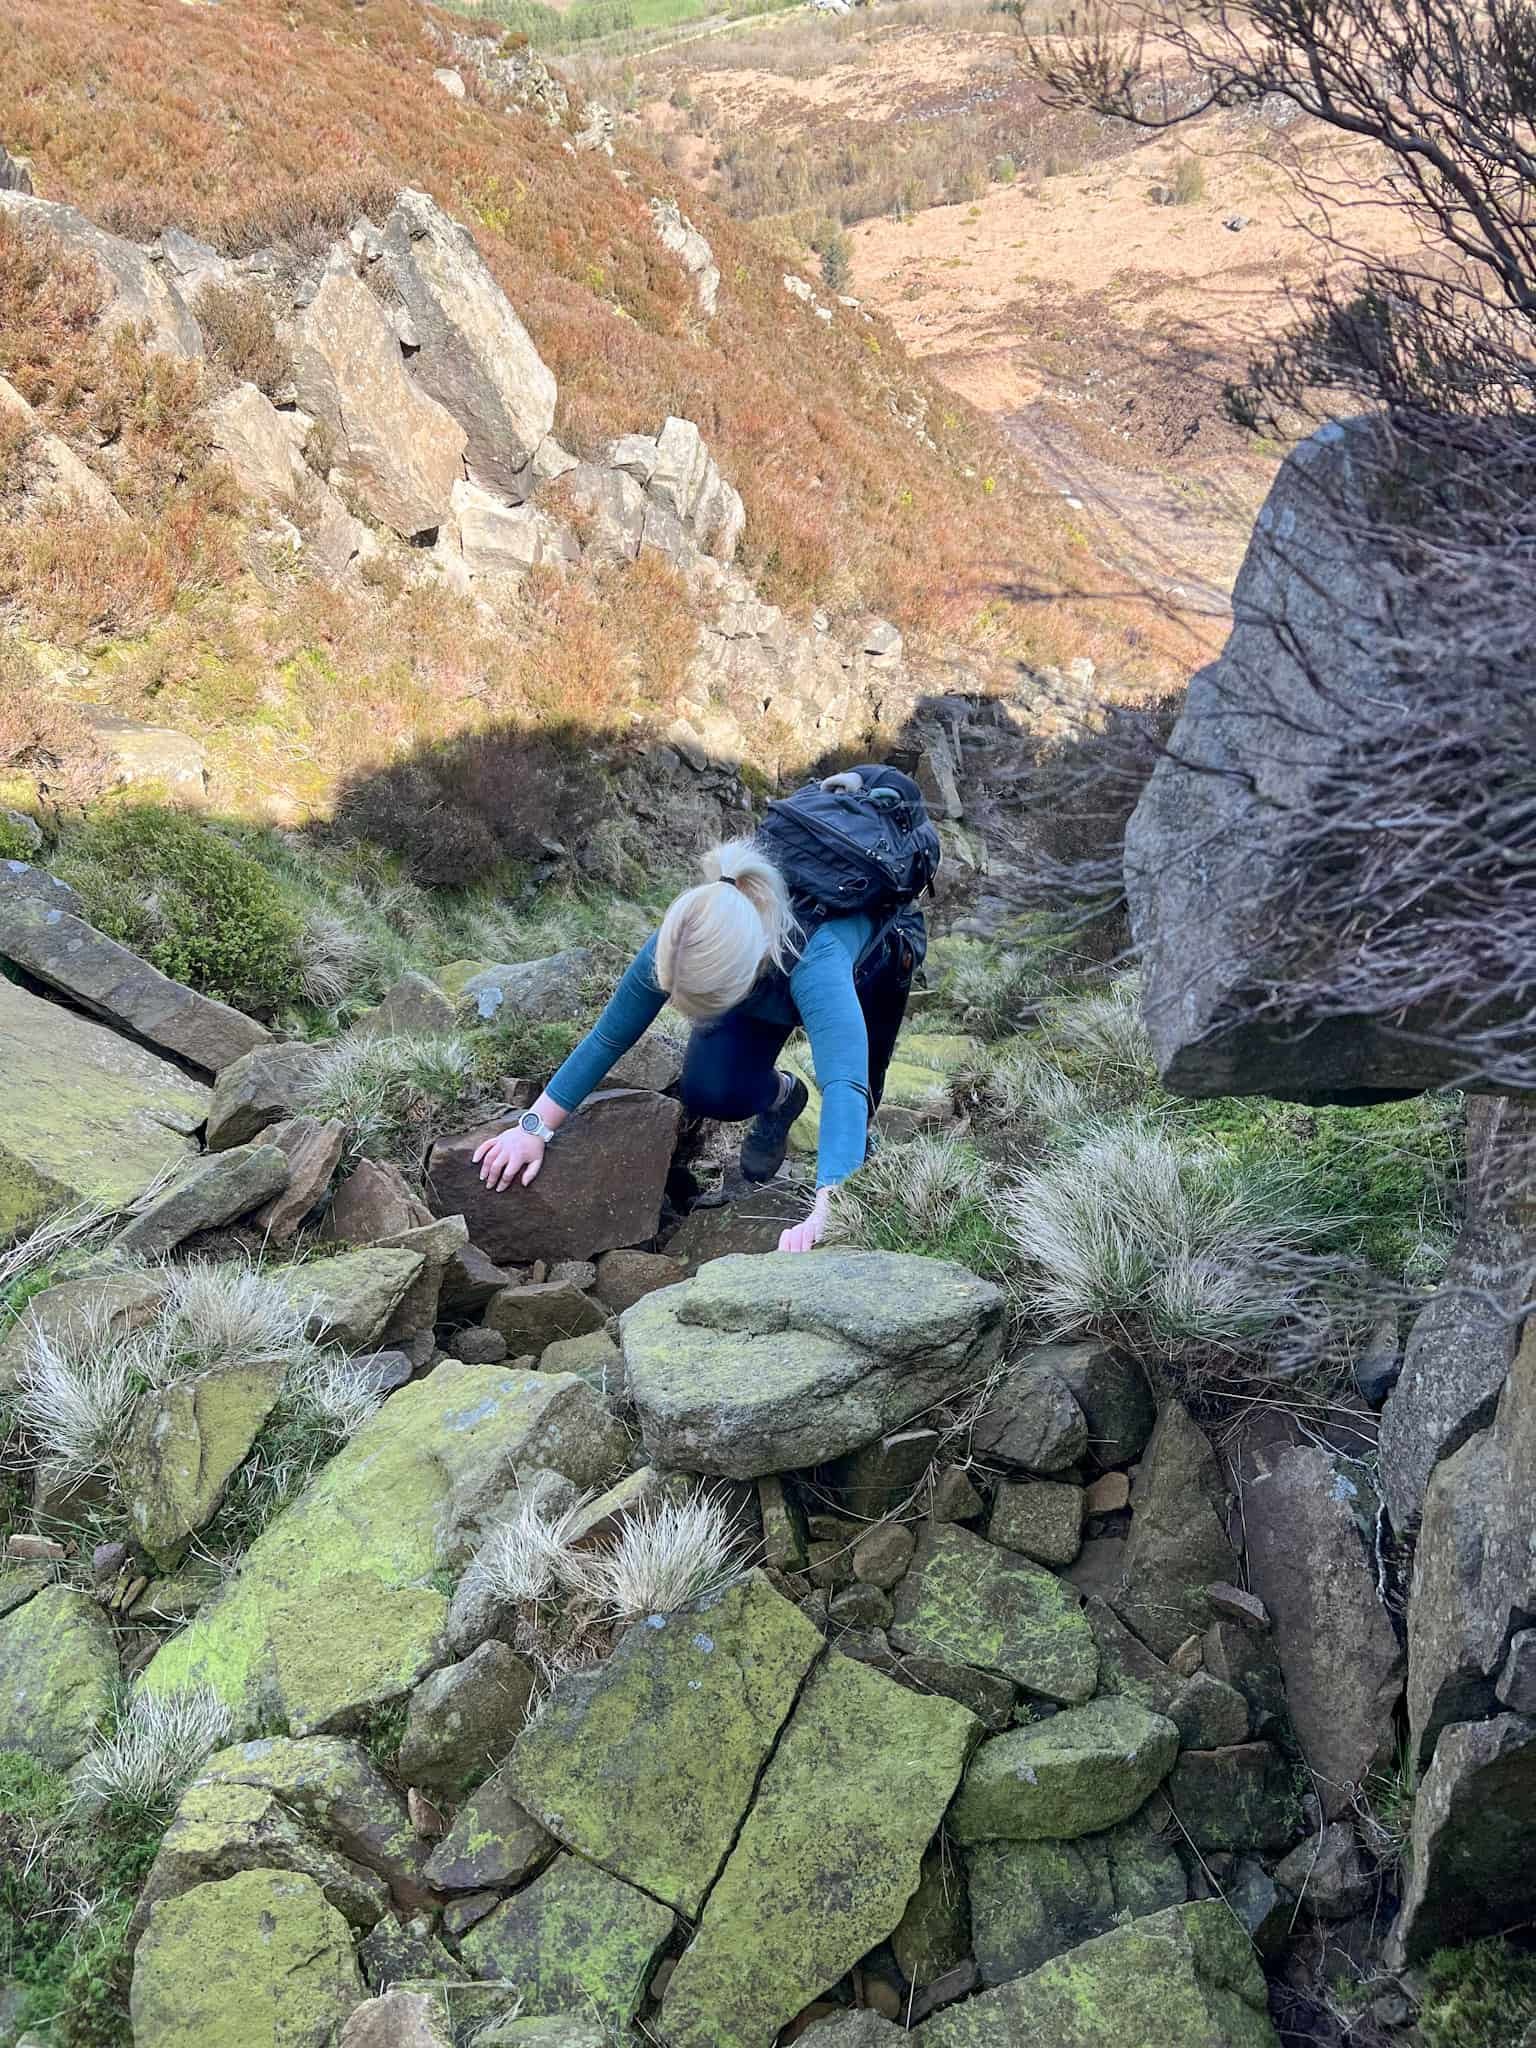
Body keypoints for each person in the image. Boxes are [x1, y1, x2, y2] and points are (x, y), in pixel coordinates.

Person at [472, 769, 932, 1253]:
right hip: (767, 963)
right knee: (711, 1089)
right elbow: (610, 1036)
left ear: (745, 980)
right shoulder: (692, 930)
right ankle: (782, 1099)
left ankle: (859, 1164)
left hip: (875, 960)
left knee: (857, 1104)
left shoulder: (818, 963)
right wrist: (533, 1127)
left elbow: (844, 1083)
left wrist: (831, 1201)